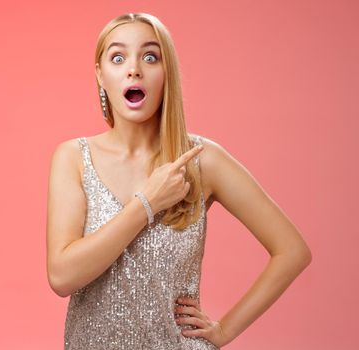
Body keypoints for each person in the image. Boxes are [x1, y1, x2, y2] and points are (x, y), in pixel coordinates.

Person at [46, 12, 312, 350]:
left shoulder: (202, 160)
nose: (134, 69)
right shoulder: (73, 157)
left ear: (166, 71)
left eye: (150, 56)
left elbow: (292, 251)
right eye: (117, 57)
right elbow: (61, 276)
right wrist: (146, 203)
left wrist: (224, 330)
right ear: (100, 75)